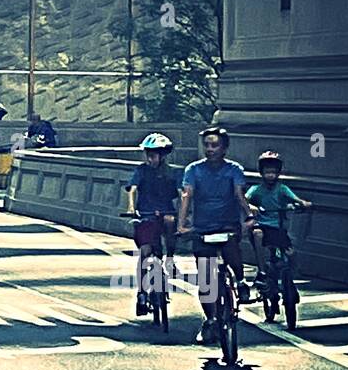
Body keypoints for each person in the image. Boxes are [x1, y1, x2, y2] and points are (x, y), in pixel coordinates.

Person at [177, 126, 254, 344]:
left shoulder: (234, 169)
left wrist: (249, 216)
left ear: (225, 148)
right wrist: (182, 225)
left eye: (215, 145)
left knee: (232, 252)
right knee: (205, 280)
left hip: (227, 224)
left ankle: (241, 281)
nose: (210, 149)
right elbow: (187, 196)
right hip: (202, 228)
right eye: (207, 145)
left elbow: (239, 194)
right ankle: (210, 320)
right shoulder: (193, 170)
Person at [123, 133, 179, 316]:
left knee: (170, 223)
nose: (150, 159)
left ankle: (170, 258)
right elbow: (132, 189)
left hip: (165, 213)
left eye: (153, 155)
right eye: (148, 155)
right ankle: (141, 292)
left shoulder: (172, 173)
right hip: (146, 215)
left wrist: (184, 212)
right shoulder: (141, 171)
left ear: (162, 156)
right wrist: (132, 208)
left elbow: (181, 193)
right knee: (145, 252)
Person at [246, 151, 312, 287]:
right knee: (257, 234)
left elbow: (296, 199)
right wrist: (251, 206)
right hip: (262, 224)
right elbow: (244, 200)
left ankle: (293, 274)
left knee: (290, 252)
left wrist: (303, 203)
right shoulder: (256, 189)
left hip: (278, 226)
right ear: (262, 173)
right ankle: (262, 270)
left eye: (273, 172)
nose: (270, 175)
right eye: (267, 172)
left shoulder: (282, 189)